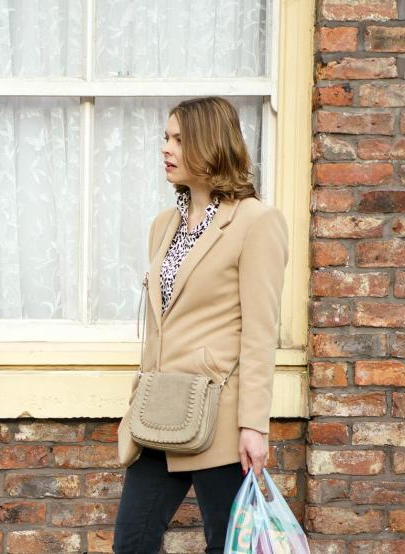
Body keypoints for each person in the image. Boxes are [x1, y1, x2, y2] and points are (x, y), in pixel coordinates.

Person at [112, 96, 288, 554]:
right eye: (165, 138)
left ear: (209, 145)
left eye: (178, 139)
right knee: (131, 542)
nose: (165, 148)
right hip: (160, 413)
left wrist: (254, 425)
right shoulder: (163, 225)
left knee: (226, 546)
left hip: (221, 419)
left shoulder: (256, 222)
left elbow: (260, 333)